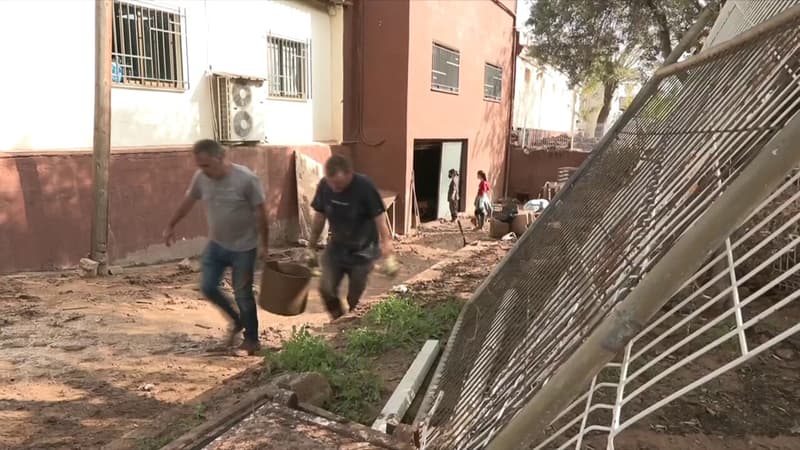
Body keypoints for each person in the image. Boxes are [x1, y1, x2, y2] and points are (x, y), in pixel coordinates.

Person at [163, 139, 269, 355]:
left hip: (244, 247)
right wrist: (171, 225)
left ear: (220, 158)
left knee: (243, 294)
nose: (203, 170)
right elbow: (188, 201)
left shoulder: (246, 179)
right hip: (217, 245)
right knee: (208, 287)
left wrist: (264, 245)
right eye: (199, 165)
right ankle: (236, 320)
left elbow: (261, 213)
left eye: (207, 165)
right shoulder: (201, 178)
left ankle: (252, 340)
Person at [308, 155, 397, 320]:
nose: (335, 188)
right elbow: (319, 216)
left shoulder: (364, 186)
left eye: (339, 184)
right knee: (325, 289)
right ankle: (339, 322)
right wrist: (311, 247)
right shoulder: (325, 186)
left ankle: (353, 327)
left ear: (350, 174)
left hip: (362, 253)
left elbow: (380, 220)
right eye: (331, 183)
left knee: (354, 299)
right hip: (336, 249)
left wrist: (388, 250)